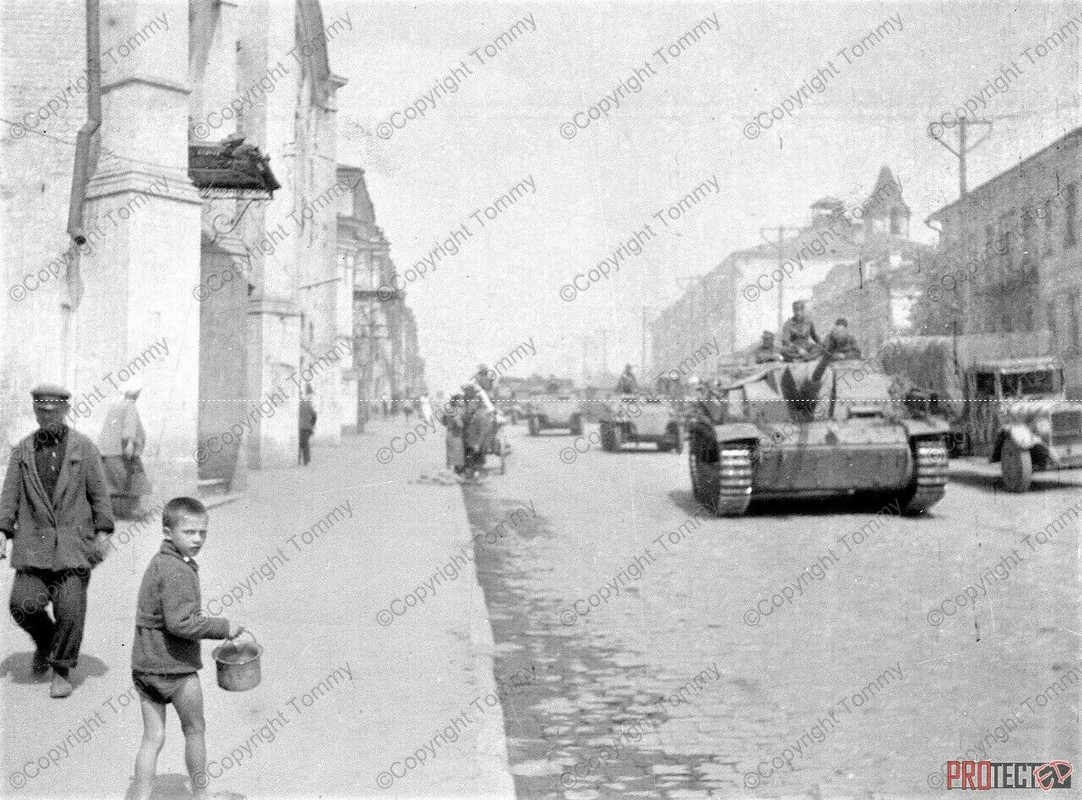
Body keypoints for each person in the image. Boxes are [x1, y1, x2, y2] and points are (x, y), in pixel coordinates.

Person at [0, 384, 115, 698]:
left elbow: (100, 495)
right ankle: (46, 643)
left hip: (73, 548)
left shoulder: (84, 448)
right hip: (33, 547)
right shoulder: (22, 450)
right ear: (35, 411)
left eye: (52, 411)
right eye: (41, 410)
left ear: (65, 410)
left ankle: (62, 668)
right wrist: (2, 529)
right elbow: (9, 494)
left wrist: (103, 531)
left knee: (70, 607)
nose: (46, 416)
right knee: (21, 604)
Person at [130, 496, 244, 800]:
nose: (197, 540)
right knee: (195, 729)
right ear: (168, 533)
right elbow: (180, 624)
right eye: (189, 532)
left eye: (202, 533)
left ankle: (139, 796)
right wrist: (223, 628)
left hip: (145, 667)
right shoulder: (177, 570)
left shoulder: (159, 562)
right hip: (175, 668)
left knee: (152, 738)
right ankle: (200, 793)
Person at [98, 378, 152, 518]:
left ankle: (113, 512)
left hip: (108, 452)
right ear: (134, 393)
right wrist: (129, 444)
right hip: (123, 452)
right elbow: (129, 427)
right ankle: (133, 510)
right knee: (134, 480)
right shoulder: (129, 405)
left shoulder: (115, 405)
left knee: (111, 483)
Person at [298, 387, 317, 466]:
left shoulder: (298, 405)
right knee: (305, 444)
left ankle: (299, 460)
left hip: (300, 428)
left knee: (300, 444)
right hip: (307, 427)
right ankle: (306, 460)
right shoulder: (307, 404)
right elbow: (314, 415)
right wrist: (312, 425)